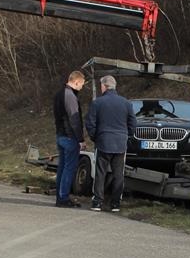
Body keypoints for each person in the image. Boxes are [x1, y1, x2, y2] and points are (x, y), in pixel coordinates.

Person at [84, 74, 136, 212]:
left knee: (100, 173)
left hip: (103, 142)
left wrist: (95, 137)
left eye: (101, 85)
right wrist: (127, 136)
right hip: (120, 143)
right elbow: (133, 124)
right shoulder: (126, 103)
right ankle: (115, 203)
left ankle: (97, 202)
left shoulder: (97, 103)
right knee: (118, 174)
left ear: (104, 86)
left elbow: (90, 123)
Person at [52, 69, 86, 207]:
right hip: (69, 137)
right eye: (81, 85)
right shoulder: (70, 96)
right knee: (69, 168)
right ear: (76, 81)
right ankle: (64, 197)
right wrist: (81, 139)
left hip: (60, 135)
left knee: (62, 167)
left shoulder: (59, 94)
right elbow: (74, 120)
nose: (82, 88)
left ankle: (60, 197)